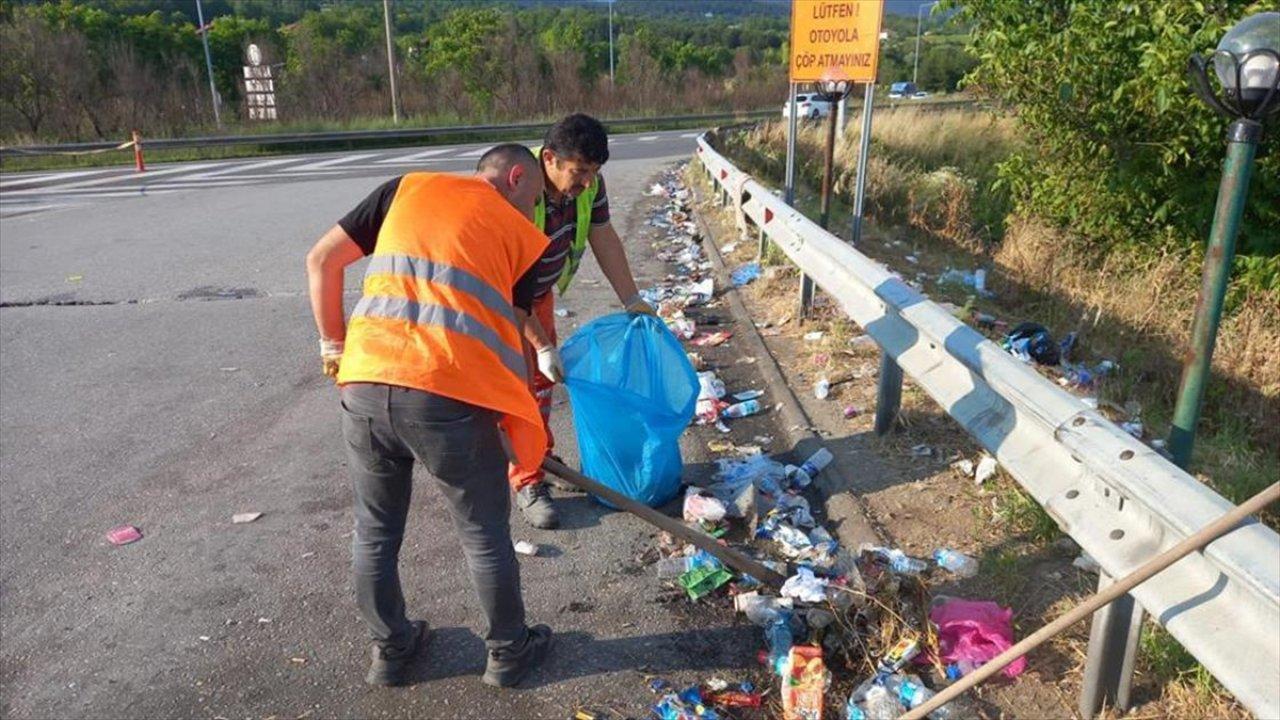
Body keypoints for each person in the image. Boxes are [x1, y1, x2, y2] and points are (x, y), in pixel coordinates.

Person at [305, 144, 559, 689]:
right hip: (446, 396)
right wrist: (518, 426)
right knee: (484, 533)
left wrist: (333, 345)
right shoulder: (523, 242)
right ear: (515, 177)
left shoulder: (405, 190)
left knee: (374, 530)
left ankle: (392, 652)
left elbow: (321, 260)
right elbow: (508, 345)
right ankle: (509, 653)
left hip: (365, 381)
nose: (533, 212)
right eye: (534, 198)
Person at [511, 113, 658, 529]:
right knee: (517, 389)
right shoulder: (521, 190)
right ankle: (526, 479)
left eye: (594, 173)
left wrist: (632, 299)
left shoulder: (589, 186)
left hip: (537, 296)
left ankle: (538, 454)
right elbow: (505, 285)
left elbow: (603, 235)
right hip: (500, 299)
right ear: (550, 159)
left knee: (542, 385)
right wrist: (540, 345)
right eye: (579, 172)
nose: (587, 182)